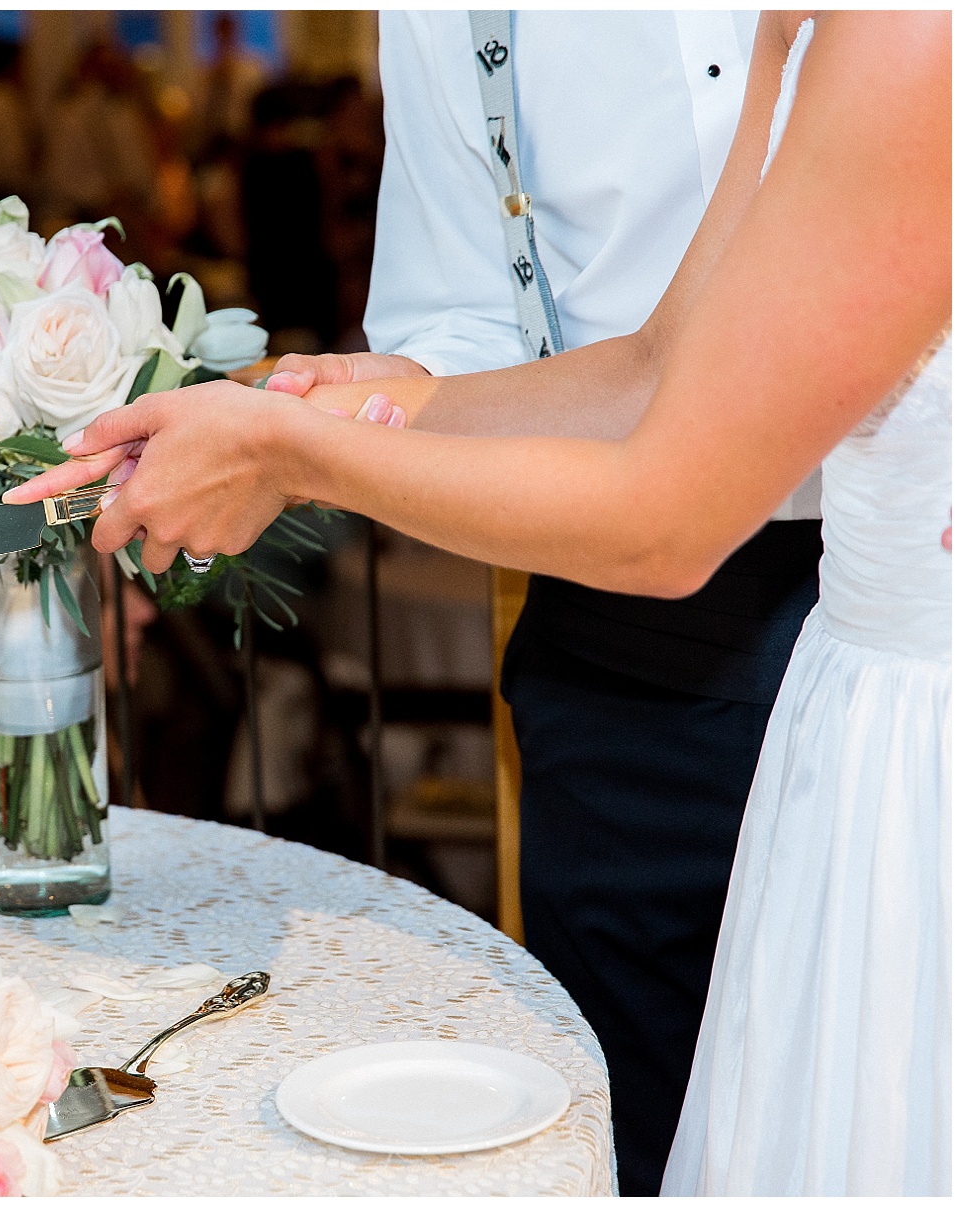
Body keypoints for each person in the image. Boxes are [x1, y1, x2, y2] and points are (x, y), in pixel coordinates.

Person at [7, 10, 949, 1194]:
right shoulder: (800, 33)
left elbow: (669, 517)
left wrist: (295, 461)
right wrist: (322, 413)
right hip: (843, 725)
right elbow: (658, 370)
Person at [271, 13, 800, 1195]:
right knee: (641, 1145)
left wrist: (299, 455)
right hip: (625, 649)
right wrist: (355, 412)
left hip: (887, 605)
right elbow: (618, 361)